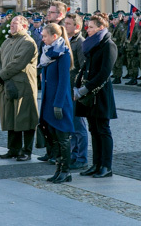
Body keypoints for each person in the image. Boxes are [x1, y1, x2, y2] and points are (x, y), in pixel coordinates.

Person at [74, 13, 117, 178]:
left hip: (101, 93)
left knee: (103, 130)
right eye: (88, 26)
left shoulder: (108, 45)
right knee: (93, 129)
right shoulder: (92, 44)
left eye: (91, 27)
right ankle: (96, 164)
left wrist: (85, 89)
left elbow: (104, 73)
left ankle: (106, 166)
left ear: (101, 28)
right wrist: (77, 86)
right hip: (89, 94)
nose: (88, 29)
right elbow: (85, 68)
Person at [0, 15, 39, 161]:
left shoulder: (28, 42)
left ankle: (26, 150)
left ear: (24, 26)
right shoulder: (8, 41)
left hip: (23, 86)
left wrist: (1, 75)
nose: (11, 25)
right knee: (11, 117)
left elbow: (18, 63)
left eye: (15, 23)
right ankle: (13, 149)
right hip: (8, 84)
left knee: (25, 118)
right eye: (11, 23)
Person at [39, 23, 75, 183]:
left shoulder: (63, 54)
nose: (43, 39)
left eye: (45, 36)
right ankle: (58, 169)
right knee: (54, 138)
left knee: (63, 138)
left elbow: (63, 82)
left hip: (59, 102)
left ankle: (66, 171)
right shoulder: (47, 53)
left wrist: (58, 104)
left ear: (54, 36)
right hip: (49, 101)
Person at [64, 14, 88, 170]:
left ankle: (82, 157)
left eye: (68, 23)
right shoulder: (68, 40)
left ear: (77, 27)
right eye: (65, 23)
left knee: (78, 125)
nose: (65, 26)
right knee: (70, 124)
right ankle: (73, 154)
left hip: (75, 88)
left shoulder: (80, 42)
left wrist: (78, 88)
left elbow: (83, 67)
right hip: (66, 87)